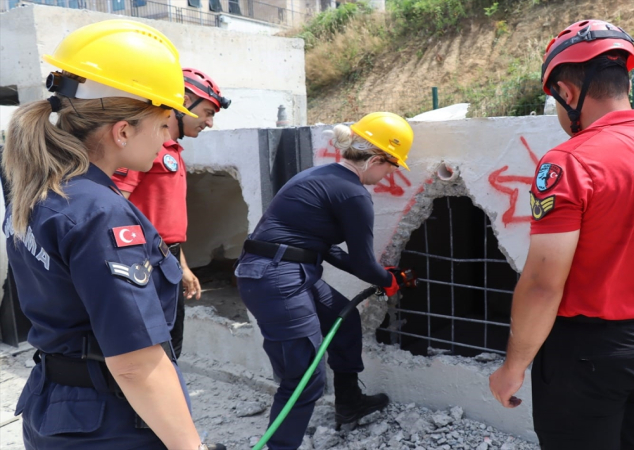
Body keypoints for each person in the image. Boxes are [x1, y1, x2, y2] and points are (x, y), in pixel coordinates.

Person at [488, 19, 634, 450]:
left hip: (587, 354)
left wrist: (513, 367)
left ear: (567, 94)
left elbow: (541, 284)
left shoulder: (568, 163)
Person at [2, 19, 221, 450]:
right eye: (161, 125)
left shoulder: (39, 186)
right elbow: (136, 365)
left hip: (57, 405)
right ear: (123, 131)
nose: (165, 140)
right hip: (108, 422)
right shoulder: (100, 212)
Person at [236, 112, 414, 449]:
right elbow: (362, 261)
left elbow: (327, 248)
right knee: (303, 379)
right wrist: (386, 280)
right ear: (375, 158)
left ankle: (349, 404)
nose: (392, 173)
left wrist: (381, 277)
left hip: (283, 272)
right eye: (391, 165)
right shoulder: (354, 194)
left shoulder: (321, 176)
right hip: (278, 279)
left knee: (343, 320)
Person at [112, 68, 230, 359]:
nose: (210, 123)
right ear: (184, 100)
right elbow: (113, 206)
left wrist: (182, 266)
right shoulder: (143, 146)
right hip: (144, 259)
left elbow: (165, 225)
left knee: (170, 344)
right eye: (207, 112)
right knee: (153, 350)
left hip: (167, 257)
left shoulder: (173, 150)